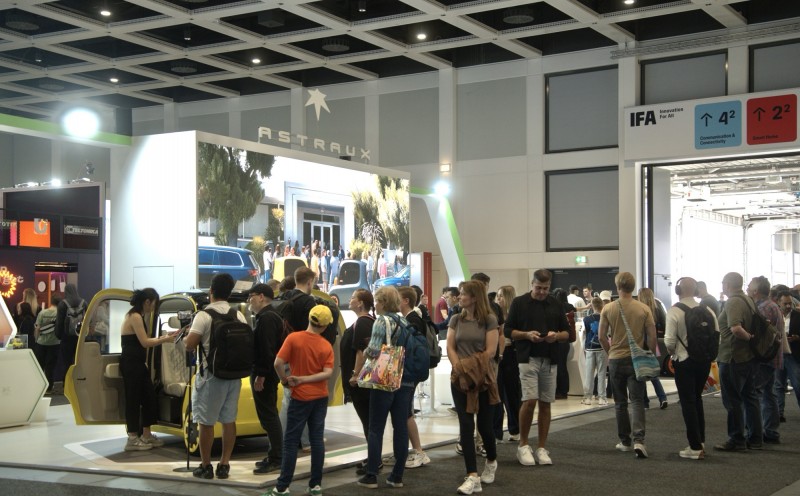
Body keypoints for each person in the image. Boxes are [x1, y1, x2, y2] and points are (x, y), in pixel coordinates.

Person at [265, 305, 334, 496]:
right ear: (325, 326)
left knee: (290, 441)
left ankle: (282, 487)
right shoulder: (326, 345)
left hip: (300, 397)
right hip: (320, 397)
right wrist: (305, 379)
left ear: (309, 319)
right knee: (316, 440)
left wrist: (285, 380)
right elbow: (327, 373)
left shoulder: (293, 339)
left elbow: (278, 363)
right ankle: (315, 485)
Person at [184, 273, 248, 480]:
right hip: (234, 376)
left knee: (206, 423)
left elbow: (190, 345)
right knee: (229, 420)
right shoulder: (238, 315)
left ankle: (206, 466)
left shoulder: (204, 316)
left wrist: (186, 336)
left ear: (211, 291)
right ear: (229, 293)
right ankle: (224, 464)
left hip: (211, 376)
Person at [505, 269, 570, 466]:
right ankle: (523, 444)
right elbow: (507, 330)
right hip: (527, 358)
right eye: (538, 288)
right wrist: (526, 335)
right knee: (530, 400)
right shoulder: (519, 303)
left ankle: (542, 447)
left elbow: (567, 333)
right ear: (532, 284)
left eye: (545, 288)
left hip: (550, 359)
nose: (542, 292)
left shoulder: (556, 304)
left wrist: (555, 336)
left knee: (545, 403)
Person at [357, 286, 414, 489]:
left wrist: (364, 353)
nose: (375, 304)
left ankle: (371, 475)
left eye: (377, 301)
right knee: (400, 427)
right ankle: (397, 476)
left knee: (375, 428)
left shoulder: (381, 321)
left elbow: (373, 351)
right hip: (404, 379)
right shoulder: (404, 321)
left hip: (384, 380)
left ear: (382, 302)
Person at [448, 280, 500, 495]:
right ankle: (472, 476)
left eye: (462, 294)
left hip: (483, 379)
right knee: (466, 426)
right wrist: (460, 371)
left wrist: (469, 371)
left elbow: (490, 351)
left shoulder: (489, 319)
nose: (459, 297)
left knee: (485, 427)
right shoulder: (455, 319)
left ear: (474, 297)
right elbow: (450, 347)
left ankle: (492, 460)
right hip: (459, 379)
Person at [599, 271, 657, 459]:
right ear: (633, 287)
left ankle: (624, 441)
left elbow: (601, 336)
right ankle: (639, 440)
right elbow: (652, 336)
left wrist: (610, 352)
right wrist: (648, 354)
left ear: (617, 287)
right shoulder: (643, 309)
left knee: (620, 402)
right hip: (636, 360)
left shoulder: (608, 308)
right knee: (638, 400)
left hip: (616, 358)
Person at [664, 277, 718, 460]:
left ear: (678, 290)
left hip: (684, 360)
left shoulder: (674, 311)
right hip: (704, 361)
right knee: (697, 399)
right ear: (696, 291)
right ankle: (700, 442)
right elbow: (716, 335)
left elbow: (669, 341)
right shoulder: (708, 311)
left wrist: (673, 353)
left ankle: (694, 447)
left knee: (687, 402)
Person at [120, 288, 174, 451]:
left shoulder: (138, 316)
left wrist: (165, 337)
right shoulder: (135, 317)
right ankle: (132, 438)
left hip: (138, 363)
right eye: (154, 304)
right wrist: (164, 339)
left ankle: (146, 434)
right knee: (133, 399)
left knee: (148, 397)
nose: (153, 308)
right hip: (131, 364)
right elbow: (145, 342)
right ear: (147, 302)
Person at [714, 272, 760, 452]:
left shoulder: (733, 302)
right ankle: (755, 438)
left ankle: (737, 439)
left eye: (723, 283)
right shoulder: (748, 299)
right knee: (750, 397)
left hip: (732, 357)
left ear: (727, 284)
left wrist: (748, 338)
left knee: (732, 400)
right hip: (747, 357)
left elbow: (735, 328)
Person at [248, 284, 284, 475]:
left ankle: (277, 458)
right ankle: (274, 454)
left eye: (251, 296)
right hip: (268, 372)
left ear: (261, 297)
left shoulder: (267, 318)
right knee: (268, 414)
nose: (249, 301)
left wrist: (261, 375)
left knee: (268, 415)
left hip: (266, 374)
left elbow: (266, 350)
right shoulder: (271, 316)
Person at [746, 276, 784, 445]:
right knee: (769, 394)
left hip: (763, 359)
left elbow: (757, 335)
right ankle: (771, 432)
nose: (747, 288)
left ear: (756, 291)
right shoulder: (772, 305)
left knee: (752, 394)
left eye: (749, 286)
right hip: (772, 357)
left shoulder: (763, 308)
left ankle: (754, 433)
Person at [397, 286, 431, 470]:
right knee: (406, 411)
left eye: (398, 298)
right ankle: (415, 450)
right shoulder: (411, 318)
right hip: (410, 370)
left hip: (410, 371)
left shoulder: (412, 320)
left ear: (406, 300)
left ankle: (418, 451)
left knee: (406, 412)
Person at [344, 289, 377, 475]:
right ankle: (373, 457)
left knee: (368, 422)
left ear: (361, 303)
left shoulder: (363, 322)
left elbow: (361, 352)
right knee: (369, 422)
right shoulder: (367, 321)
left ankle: (374, 460)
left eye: (353, 298)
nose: (350, 300)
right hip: (366, 381)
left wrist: (355, 375)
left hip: (362, 382)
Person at [495, 285, 521, 442]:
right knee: (496, 394)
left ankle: (515, 428)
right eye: (497, 296)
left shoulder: (515, 317)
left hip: (511, 355)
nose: (498, 299)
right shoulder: (494, 316)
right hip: (497, 356)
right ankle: (497, 431)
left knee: (512, 394)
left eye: (501, 296)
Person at [637, 288, 668, 410]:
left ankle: (645, 402)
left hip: (640, 342)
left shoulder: (639, 309)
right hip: (653, 342)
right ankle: (662, 397)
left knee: (641, 373)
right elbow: (664, 325)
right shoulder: (657, 308)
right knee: (653, 373)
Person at [56, 283, 86, 382]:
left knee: (67, 363)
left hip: (66, 339)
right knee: (79, 362)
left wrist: (59, 336)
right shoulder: (84, 303)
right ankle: (79, 383)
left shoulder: (62, 304)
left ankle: (67, 384)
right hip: (79, 338)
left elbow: (59, 322)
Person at [581, 297, 608, 406]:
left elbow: (585, 333)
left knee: (589, 373)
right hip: (602, 348)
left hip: (590, 348)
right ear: (602, 305)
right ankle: (602, 398)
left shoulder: (586, 319)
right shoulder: (605, 318)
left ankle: (587, 397)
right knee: (602, 373)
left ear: (592, 306)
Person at [777, 291, 800, 417]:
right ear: (779, 303)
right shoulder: (775, 316)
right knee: (778, 386)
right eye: (785, 303)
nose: (788, 306)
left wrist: (797, 337)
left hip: (793, 354)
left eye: (790, 303)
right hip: (778, 354)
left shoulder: (798, 315)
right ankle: (779, 413)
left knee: (797, 385)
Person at [34, 295, 60, 394]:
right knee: (50, 366)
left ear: (51, 302)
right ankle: (49, 388)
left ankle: (39, 386)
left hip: (41, 343)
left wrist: (36, 339)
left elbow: (37, 328)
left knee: (40, 365)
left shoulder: (42, 313)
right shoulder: (59, 314)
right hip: (54, 343)